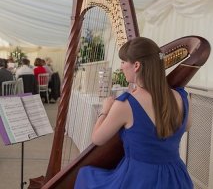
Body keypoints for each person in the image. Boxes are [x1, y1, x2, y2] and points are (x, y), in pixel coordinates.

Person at [74, 37, 193, 189]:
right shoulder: (181, 96)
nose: (121, 66)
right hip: (176, 177)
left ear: (136, 65)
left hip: (139, 179)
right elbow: (187, 126)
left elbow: (97, 139)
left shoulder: (125, 104)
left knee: (85, 174)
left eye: (123, 62)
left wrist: (104, 111)